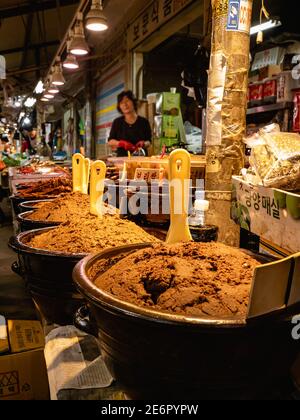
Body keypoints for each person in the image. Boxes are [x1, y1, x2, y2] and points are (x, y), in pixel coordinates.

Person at [108, 90, 152, 157]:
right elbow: (110, 142)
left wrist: (143, 143)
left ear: (133, 102)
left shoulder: (144, 122)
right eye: (121, 103)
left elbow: (149, 141)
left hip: (141, 159)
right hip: (122, 160)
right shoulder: (117, 122)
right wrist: (121, 143)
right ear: (119, 106)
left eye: (127, 101)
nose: (125, 104)